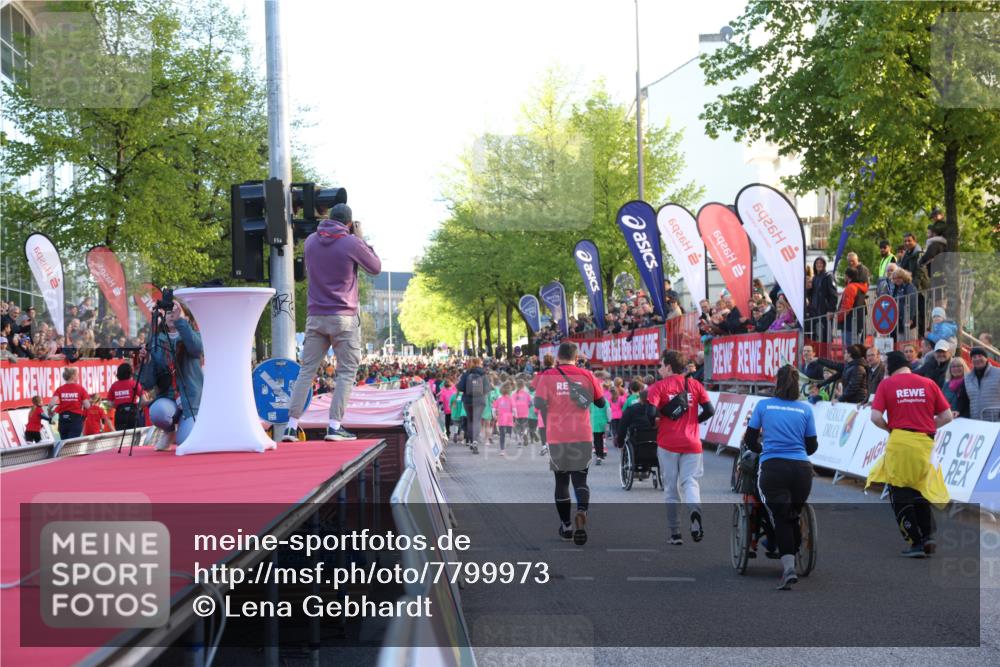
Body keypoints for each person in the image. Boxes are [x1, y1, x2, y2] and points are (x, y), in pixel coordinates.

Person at [283, 203, 381, 442]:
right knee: (346, 371)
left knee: (306, 371)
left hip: (316, 316)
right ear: (348, 223)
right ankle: (334, 426)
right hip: (343, 318)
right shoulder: (351, 243)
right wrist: (360, 238)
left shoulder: (310, 241)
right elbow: (375, 267)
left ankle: (290, 426)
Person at [866, 351, 952, 557]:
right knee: (921, 488)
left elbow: (875, 417)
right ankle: (929, 535)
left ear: (890, 367)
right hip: (925, 442)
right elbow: (947, 416)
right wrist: (928, 425)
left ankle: (916, 541)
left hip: (901, 440)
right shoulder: (928, 383)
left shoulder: (886, 385)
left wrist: (890, 429)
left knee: (900, 491)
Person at [742, 365, 818, 589]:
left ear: (776, 383)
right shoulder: (805, 410)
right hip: (802, 469)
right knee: (792, 512)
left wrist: (765, 449)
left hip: (773, 467)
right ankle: (790, 549)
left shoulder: (764, 405)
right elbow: (812, 445)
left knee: (781, 517)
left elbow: (750, 440)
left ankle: (788, 568)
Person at [533, 341, 605, 545]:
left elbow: (538, 403)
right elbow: (601, 403)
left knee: (562, 482)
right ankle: (582, 511)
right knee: (580, 481)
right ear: (577, 357)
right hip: (582, 434)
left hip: (558, 436)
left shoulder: (548, 375)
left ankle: (566, 525)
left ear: (558, 356)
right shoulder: (587, 375)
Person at [647, 350, 715, 546]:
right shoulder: (695, 384)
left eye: (660, 365)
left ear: (669, 367)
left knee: (670, 487)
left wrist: (657, 423)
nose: (659, 369)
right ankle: (694, 512)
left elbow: (650, 414)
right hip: (692, 443)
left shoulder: (658, 387)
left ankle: (675, 533)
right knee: (690, 482)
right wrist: (694, 421)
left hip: (668, 442)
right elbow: (710, 410)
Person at [139, 302, 203, 448]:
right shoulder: (155, 341)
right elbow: (148, 383)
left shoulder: (195, 336)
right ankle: (168, 432)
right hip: (168, 398)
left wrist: (180, 321)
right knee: (157, 413)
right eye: (168, 313)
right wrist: (147, 361)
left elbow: (196, 350)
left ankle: (188, 426)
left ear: (186, 318)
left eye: (176, 312)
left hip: (191, 400)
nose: (171, 315)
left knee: (185, 442)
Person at [957, 347, 1000, 421]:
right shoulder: (967, 378)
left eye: (980, 356)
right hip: (976, 423)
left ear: (986, 358)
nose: (977, 359)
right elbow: (963, 399)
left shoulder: (998, 373)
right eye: (974, 357)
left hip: (996, 422)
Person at [457, 358, 491, 450]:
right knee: (477, 420)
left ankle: (471, 440)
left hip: (468, 401)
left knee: (470, 420)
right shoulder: (483, 374)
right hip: (479, 400)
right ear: (479, 363)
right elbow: (488, 388)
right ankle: (475, 441)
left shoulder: (466, 374)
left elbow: (460, 387)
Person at [49, 367, 89, 440]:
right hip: (75, 419)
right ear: (73, 376)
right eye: (77, 375)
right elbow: (87, 405)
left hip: (63, 420)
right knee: (72, 444)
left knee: (64, 444)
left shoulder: (60, 389)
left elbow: (51, 404)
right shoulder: (80, 388)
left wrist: (49, 411)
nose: (78, 377)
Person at [808, 257, 838, 343]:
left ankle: (827, 354)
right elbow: (811, 294)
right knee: (817, 336)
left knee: (826, 335)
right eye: (817, 263)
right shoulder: (814, 278)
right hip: (815, 312)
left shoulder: (828, 276)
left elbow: (833, 294)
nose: (819, 265)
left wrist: (831, 310)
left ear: (824, 265)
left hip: (825, 312)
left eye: (821, 263)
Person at [837, 267, 868, 346]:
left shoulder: (851, 287)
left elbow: (846, 306)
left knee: (849, 351)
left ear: (847, 276)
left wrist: (838, 318)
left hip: (849, 324)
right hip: (858, 322)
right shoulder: (861, 287)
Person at [107, 361, 141, 431]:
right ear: (130, 373)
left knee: (121, 436)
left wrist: (117, 404)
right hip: (132, 413)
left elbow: (109, 403)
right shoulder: (134, 383)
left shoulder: (114, 385)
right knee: (134, 436)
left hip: (120, 414)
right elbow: (143, 398)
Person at [590, 382, 612, 465]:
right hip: (603, 422)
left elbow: (589, 411)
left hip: (594, 422)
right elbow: (608, 411)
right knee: (603, 439)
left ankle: (598, 455)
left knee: (596, 440)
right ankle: (602, 454)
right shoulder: (605, 401)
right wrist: (609, 420)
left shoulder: (591, 401)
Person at [492, 382, 515, 457]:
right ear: (510, 390)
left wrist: (494, 415)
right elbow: (514, 409)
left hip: (501, 419)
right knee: (509, 432)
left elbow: (493, 408)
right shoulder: (511, 399)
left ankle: (502, 450)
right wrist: (515, 416)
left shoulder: (499, 399)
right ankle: (508, 436)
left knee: (502, 435)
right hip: (509, 418)